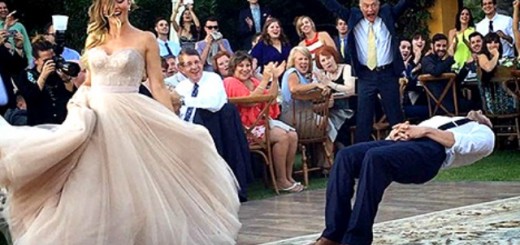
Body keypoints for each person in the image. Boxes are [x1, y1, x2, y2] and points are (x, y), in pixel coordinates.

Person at [0, 0, 240, 244]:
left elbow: (157, 85)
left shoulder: (145, 38)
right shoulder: (94, 38)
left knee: (138, 186)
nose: (117, 5)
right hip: (94, 115)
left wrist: (172, 121)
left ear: (130, 4)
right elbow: (90, 81)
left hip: (131, 115)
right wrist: (77, 100)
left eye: (122, 0)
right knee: (88, 183)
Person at [313, 110, 495, 245]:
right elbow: (415, 131)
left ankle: (356, 239)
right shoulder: (444, 118)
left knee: (375, 158)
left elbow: (460, 144)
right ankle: (333, 235)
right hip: (404, 144)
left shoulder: (484, 133)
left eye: (483, 113)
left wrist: (424, 131)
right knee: (346, 156)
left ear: (486, 122)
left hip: (432, 153)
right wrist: (400, 131)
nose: (478, 111)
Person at [319, 0, 411, 143]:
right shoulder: (352, 16)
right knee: (363, 119)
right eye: (366, 6)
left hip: (387, 73)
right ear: (360, 6)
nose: (370, 9)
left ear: (379, 5)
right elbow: (332, 5)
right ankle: (361, 157)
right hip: (366, 75)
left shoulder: (388, 13)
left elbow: (405, 3)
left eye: (374, 5)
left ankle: (404, 151)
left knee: (396, 116)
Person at [223, 52, 303, 192]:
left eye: (248, 65)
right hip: (244, 128)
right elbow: (250, 101)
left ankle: (288, 177)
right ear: (233, 67)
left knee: (292, 135)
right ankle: (280, 180)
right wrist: (265, 80)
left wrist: (275, 79)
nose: (245, 69)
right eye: (241, 66)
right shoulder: (230, 81)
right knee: (282, 136)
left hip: (261, 124)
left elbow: (271, 98)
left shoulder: (253, 81)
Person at [14, 37, 75, 125]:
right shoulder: (27, 75)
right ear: (36, 61)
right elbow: (31, 97)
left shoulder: (58, 73)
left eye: (52, 58)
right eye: (46, 60)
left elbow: (71, 95)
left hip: (61, 123)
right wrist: (43, 76)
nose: (51, 63)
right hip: (40, 125)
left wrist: (66, 79)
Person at [314, 45, 356, 148]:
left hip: (349, 109)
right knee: (321, 123)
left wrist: (330, 84)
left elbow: (351, 89)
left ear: (334, 57)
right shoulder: (323, 75)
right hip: (331, 110)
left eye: (329, 58)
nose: (327, 62)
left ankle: (341, 149)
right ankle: (329, 153)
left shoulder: (346, 68)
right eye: (323, 61)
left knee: (336, 125)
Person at [0, 1, 32, 66]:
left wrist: (30, 61)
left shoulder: (19, 26)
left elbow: (27, 45)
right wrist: (7, 25)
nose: (3, 10)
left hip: (16, 61)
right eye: (0, 8)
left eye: (5, 7)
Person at [447, 7, 475, 71]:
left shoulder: (473, 30)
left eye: (467, 14)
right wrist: (455, 42)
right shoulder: (452, 32)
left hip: (469, 62)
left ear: (470, 17)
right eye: (462, 14)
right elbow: (450, 52)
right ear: (459, 16)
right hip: (456, 63)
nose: (464, 16)